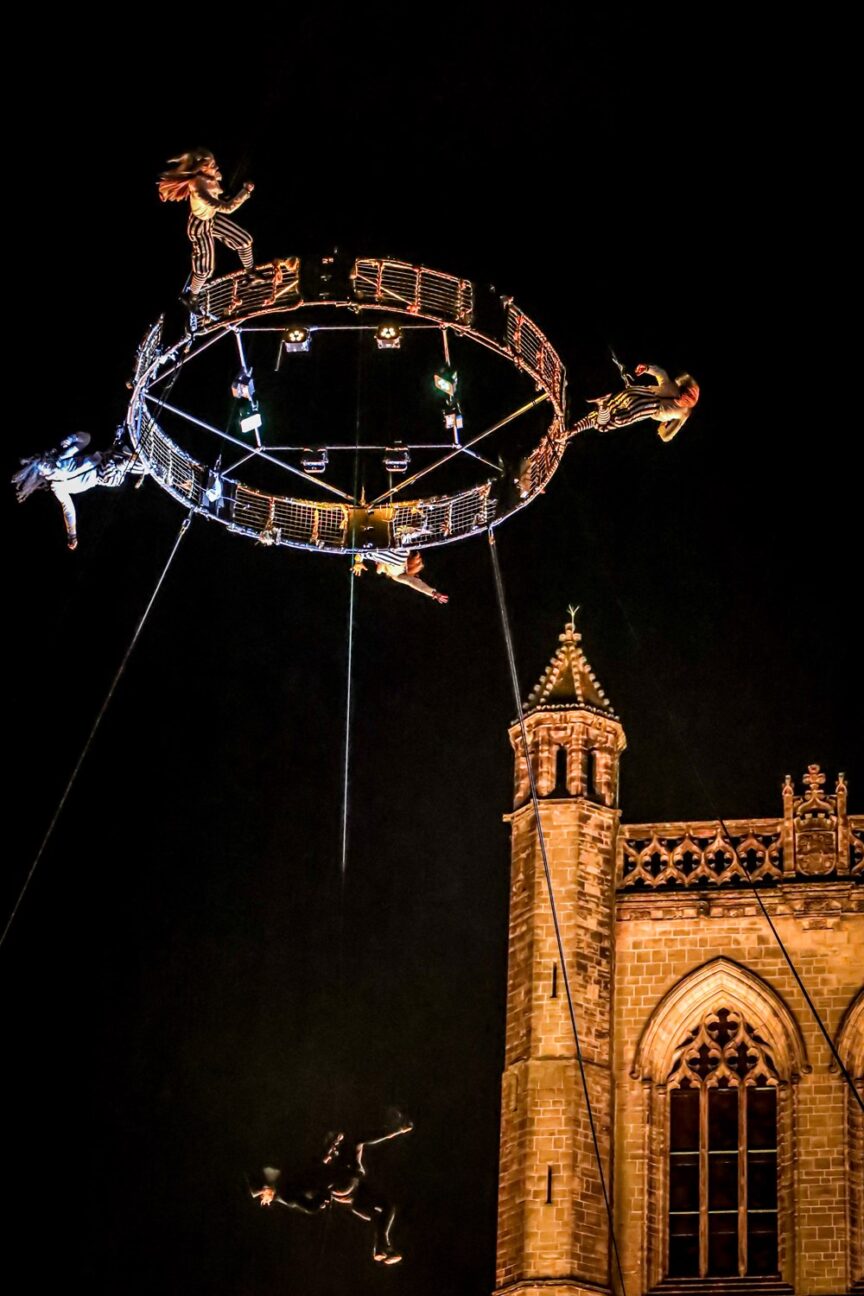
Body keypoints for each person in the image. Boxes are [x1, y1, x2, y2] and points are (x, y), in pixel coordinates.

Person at [251, 1114, 414, 1265]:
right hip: (344, 1188)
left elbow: (313, 1183)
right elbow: (308, 1202)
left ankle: (381, 1245)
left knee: (387, 1208)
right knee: (354, 1144)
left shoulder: (296, 1175)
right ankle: (381, 1243)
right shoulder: (288, 1189)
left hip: (354, 1196)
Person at [158, 149, 263, 312]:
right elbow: (227, 208)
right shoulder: (197, 186)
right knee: (205, 267)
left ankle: (250, 273)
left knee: (244, 240)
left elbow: (221, 194)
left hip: (211, 218)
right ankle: (191, 296)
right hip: (199, 225)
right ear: (201, 167)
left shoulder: (213, 176)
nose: (215, 166)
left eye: (214, 162)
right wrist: (245, 192)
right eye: (211, 164)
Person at [12, 432, 144, 550]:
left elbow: (86, 438)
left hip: (104, 459)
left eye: (46, 462)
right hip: (103, 477)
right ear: (42, 475)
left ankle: (141, 464)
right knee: (114, 464)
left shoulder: (62, 458)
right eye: (44, 467)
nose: (48, 466)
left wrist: (71, 439)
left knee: (127, 460)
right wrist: (72, 534)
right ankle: (128, 462)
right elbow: (68, 510)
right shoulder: (58, 488)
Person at [570, 362, 700, 442]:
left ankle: (579, 424)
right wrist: (647, 368)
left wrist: (662, 429)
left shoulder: (683, 412)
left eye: (682, 400)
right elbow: (661, 374)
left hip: (636, 398)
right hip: (640, 402)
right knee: (607, 421)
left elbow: (667, 436)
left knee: (603, 419)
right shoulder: (673, 389)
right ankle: (600, 406)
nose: (678, 399)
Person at [352, 550, 448, 603]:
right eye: (386, 571)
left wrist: (358, 562)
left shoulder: (395, 575)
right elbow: (413, 582)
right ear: (406, 567)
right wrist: (433, 593)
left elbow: (361, 552)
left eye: (386, 572)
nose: (381, 572)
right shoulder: (401, 558)